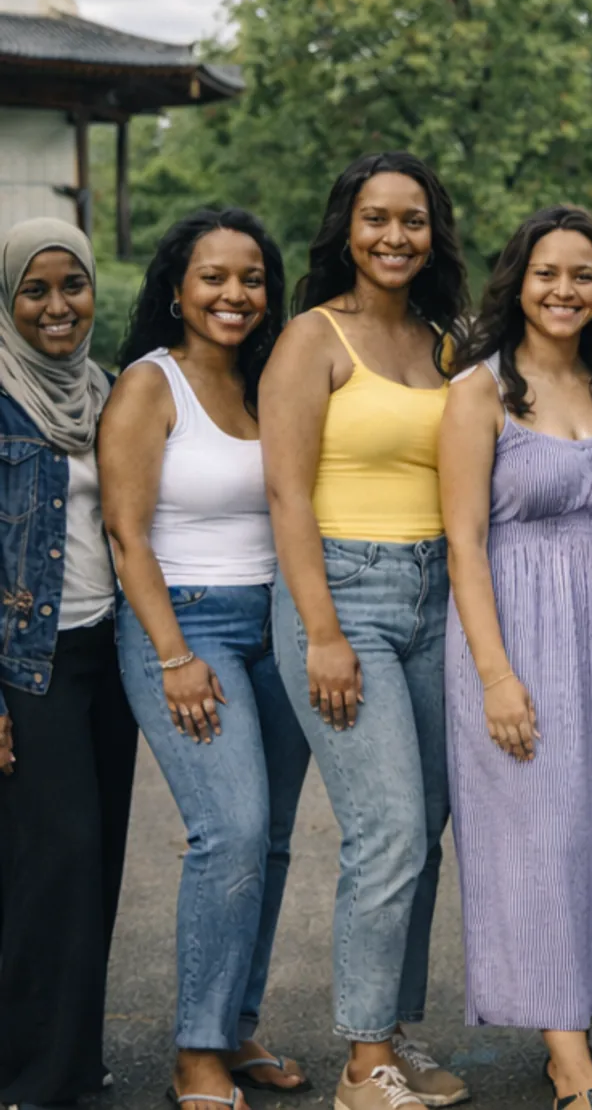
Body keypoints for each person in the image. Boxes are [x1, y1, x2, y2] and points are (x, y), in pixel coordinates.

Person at [441, 206, 592, 1110]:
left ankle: (571, 1036)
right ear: (519, 281)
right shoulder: (480, 390)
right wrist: (497, 675)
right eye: (547, 273)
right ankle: (572, 1065)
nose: (564, 290)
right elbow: (463, 543)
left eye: (582, 275)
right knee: (532, 839)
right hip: (513, 638)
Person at [262, 152, 470, 1110]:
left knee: (423, 827)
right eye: (377, 218)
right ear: (347, 227)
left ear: (436, 233)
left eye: (414, 220)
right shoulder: (313, 337)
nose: (396, 237)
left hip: (438, 595)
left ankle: (394, 1032)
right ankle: (361, 1066)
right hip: (343, 592)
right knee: (385, 831)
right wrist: (321, 632)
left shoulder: (444, 339)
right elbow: (285, 494)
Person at [99, 208, 311, 1110]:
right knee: (227, 834)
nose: (235, 294)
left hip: (279, 626)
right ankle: (195, 1051)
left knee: (266, 844)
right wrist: (175, 655)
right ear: (177, 289)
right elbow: (125, 534)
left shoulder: (273, 379)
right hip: (184, 625)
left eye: (252, 278)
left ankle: (236, 1027)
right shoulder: (152, 385)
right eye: (214, 278)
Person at [0, 218, 136, 1110]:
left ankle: (74, 1065)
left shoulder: (110, 392)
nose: (58, 307)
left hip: (107, 656)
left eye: (72, 286)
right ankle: (31, 1079)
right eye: (35, 290)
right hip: (28, 662)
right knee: (54, 861)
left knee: (97, 866)